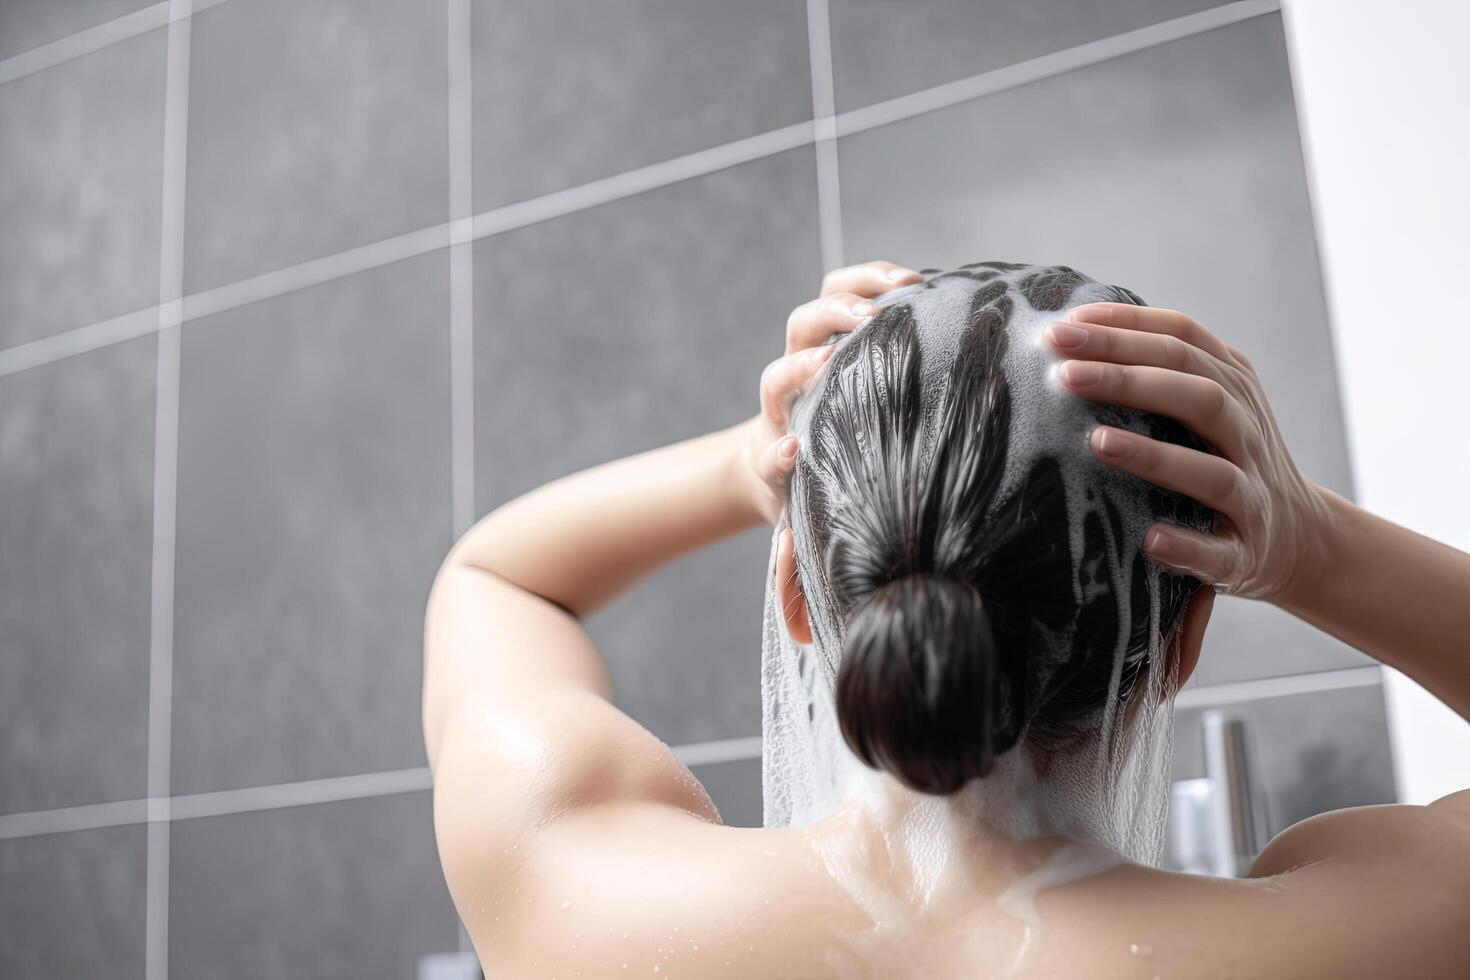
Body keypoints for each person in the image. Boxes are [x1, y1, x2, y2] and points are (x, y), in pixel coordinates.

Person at [422, 260, 1470, 978]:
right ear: (1181, 646)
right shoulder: (1363, 943)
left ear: (797, 594)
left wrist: (755, 464)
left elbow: (497, 577)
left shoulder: (574, 879)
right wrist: (1310, 543)